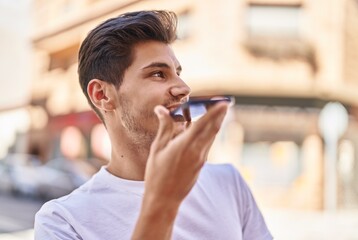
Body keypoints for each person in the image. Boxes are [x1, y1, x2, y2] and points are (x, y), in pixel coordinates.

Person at [34, 10, 272, 240]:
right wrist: (163, 201)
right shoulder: (62, 221)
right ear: (102, 95)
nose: (184, 88)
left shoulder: (228, 182)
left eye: (178, 73)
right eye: (158, 74)